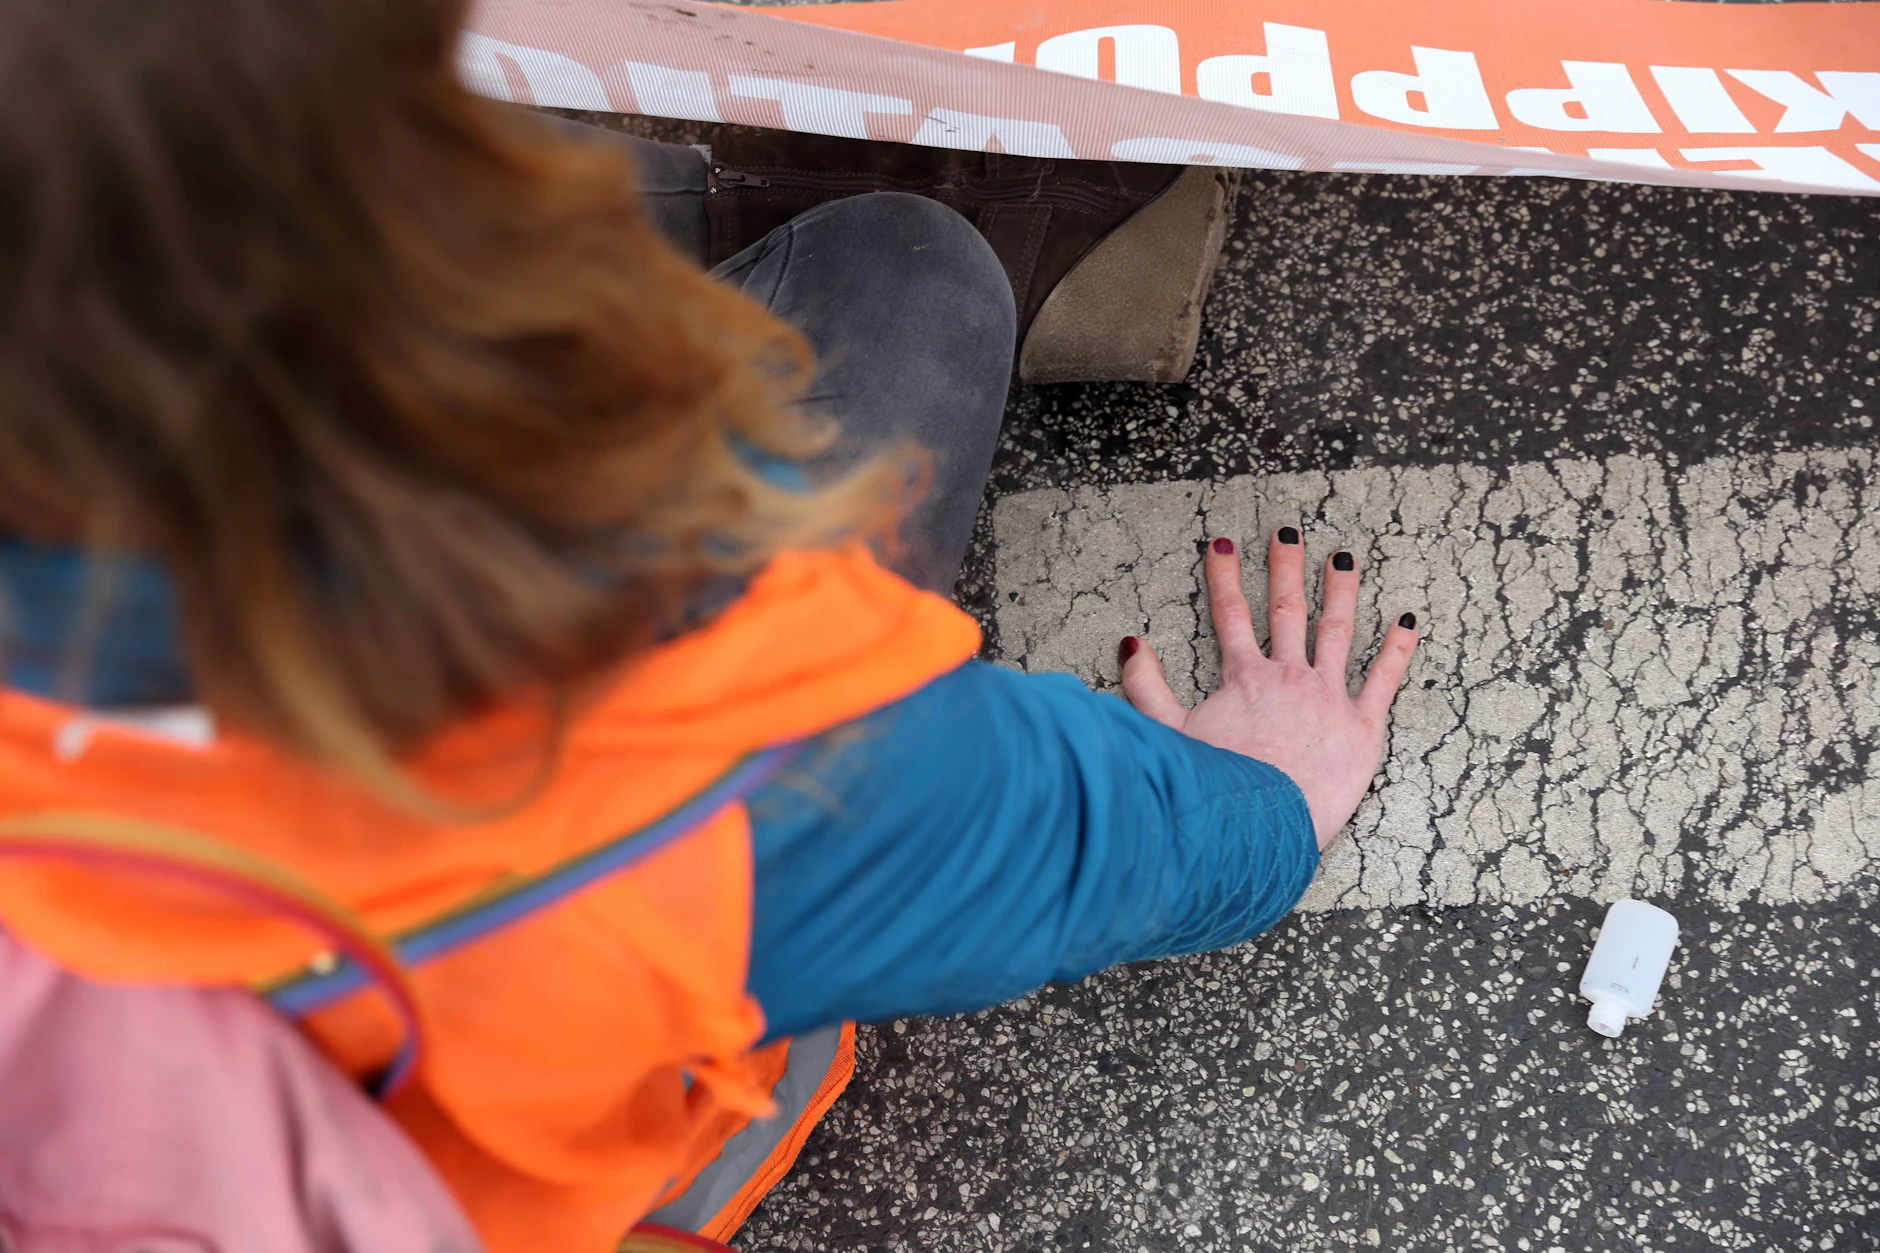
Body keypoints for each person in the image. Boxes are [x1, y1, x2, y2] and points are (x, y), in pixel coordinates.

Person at [0, 1, 1418, 1251]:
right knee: (910, 276)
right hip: (547, 1090)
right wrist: (1272, 805)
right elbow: (1074, 838)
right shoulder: (720, 762)